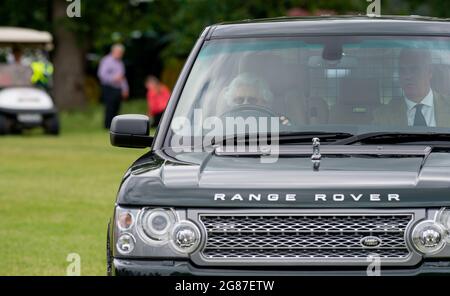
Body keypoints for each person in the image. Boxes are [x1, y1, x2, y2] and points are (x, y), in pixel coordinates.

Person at [373, 48, 450, 127]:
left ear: (429, 71)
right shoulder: (383, 115)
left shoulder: (447, 106)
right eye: (402, 70)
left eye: (414, 69)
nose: (407, 76)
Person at [97, 43, 129, 129]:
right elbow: (102, 75)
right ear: (114, 51)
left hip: (118, 89)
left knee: (117, 108)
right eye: (119, 52)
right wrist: (113, 78)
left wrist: (125, 89)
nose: (120, 54)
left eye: (121, 53)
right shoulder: (106, 61)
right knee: (110, 107)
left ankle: (115, 126)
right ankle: (107, 126)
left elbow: (122, 77)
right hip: (109, 88)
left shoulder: (120, 63)